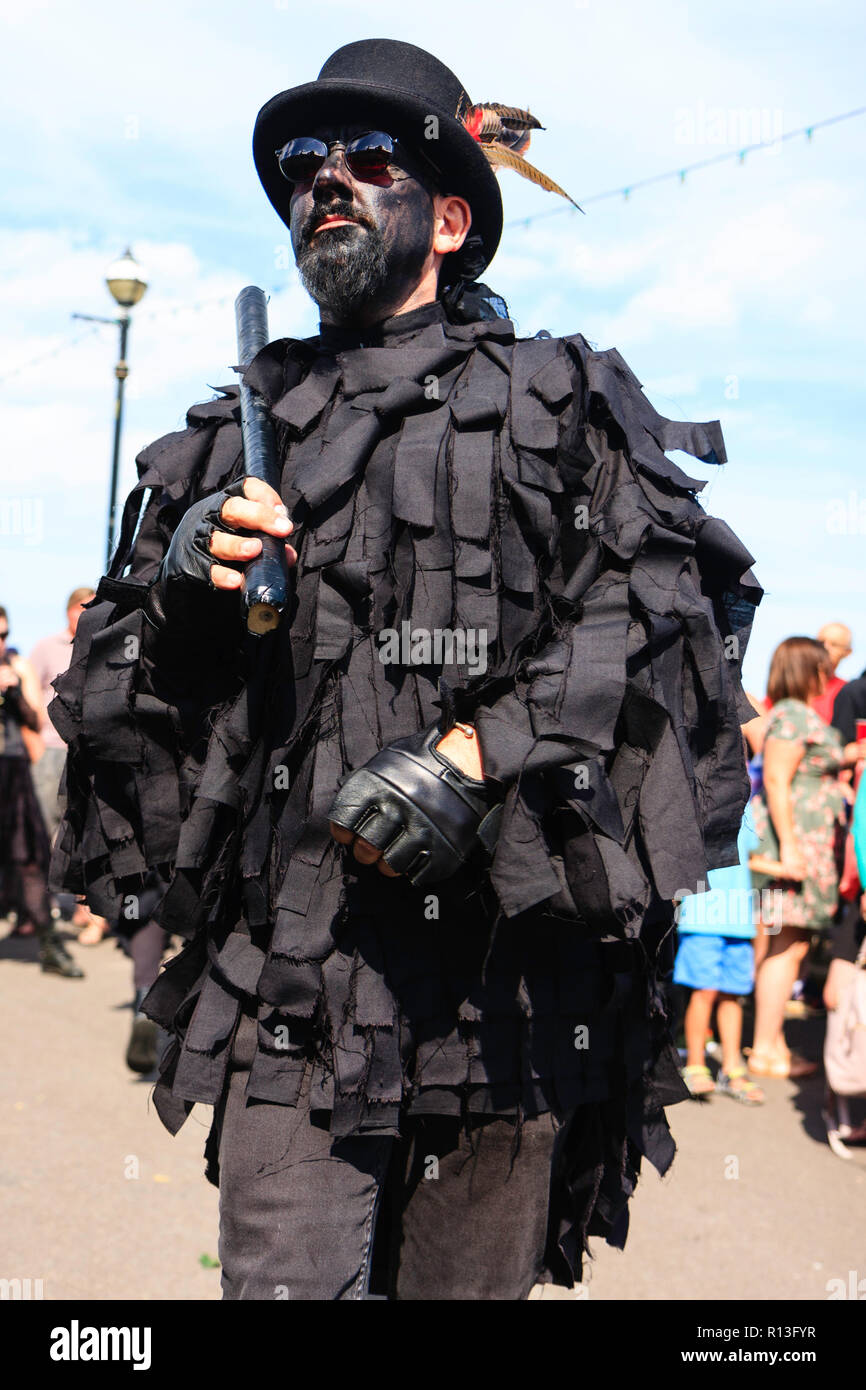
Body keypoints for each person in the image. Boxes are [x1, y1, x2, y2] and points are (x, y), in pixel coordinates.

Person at [49, 40, 762, 1300]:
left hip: (510, 998)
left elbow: (663, 615)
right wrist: (178, 599)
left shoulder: (554, 396)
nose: (325, 178)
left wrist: (477, 754)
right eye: (300, 163)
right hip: (296, 985)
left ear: (445, 215)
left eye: (368, 157)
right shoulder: (225, 436)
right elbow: (133, 699)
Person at [749, 637, 866, 1079]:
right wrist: (792, 850)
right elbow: (777, 782)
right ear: (807, 671)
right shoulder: (794, 717)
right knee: (787, 944)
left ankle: (773, 1042)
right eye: (821, 669)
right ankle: (763, 1049)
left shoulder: (794, 716)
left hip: (808, 844)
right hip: (797, 847)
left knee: (792, 945)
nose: (827, 677)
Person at [0, 606, 82, 977]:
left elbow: (36, 717)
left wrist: (14, 693)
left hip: (12, 768)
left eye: (3, 635)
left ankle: (49, 946)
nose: (0, 643)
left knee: (30, 856)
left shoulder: (16, 667)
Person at [29, 587, 109, 944]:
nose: (87, 614)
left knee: (84, 829)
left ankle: (86, 912)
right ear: (67, 613)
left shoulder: (105, 644)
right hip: (50, 752)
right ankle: (40, 908)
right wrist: (34, 744)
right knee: (44, 829)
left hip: (89, 753)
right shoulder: (46, 647)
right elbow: (30, 697)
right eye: (82, 608)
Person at [674, 805, 764, 1104]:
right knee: (704, 992)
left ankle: (731, 1068)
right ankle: (695, 1065)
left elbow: (753, 853)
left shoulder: (746, 799)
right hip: (702, 915)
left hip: (739, 919)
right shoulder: (693, 795)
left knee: (732, 995)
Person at [813, 623, 852, 725]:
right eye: (821, 642)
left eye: (834, 644)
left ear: (847, 652)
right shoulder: (794, 684)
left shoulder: (848, 692)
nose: (825, 647)